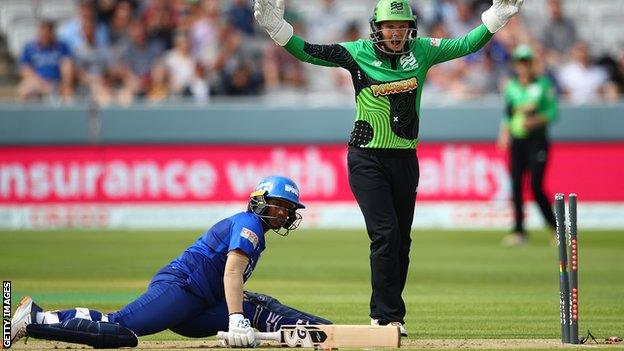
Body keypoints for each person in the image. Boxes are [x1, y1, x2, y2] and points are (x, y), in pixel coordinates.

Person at [254, 0, 524, 336]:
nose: (395, 33)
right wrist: (277, 30)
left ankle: (387, 313)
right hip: (366, 158)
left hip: (405, 160)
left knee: (401, 242)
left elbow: (466, 44)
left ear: (410, 28)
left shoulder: (422, 51)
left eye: (401, 27)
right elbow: (309, 51)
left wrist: (496, 17)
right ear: (377, 28)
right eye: (389, 27)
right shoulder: (358, 52)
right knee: (385, 235)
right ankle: (386, 317)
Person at [10, 176, 330, 349]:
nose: (284, 214)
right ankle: (36, 319)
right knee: (120, 329)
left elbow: (229, 277)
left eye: (288, 210)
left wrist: (241, 315)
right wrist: (235, 319)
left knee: (260, 307)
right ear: (260, 201)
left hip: (201, 304)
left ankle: (326, 332)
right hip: (181, 290)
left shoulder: (254, 228)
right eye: (279, 206)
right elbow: (232, 270)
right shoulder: (249, 224)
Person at [497, 45, 558, 246]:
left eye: (526, 62)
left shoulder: (543, 85)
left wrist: (536, 120)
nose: (523, 66)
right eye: (520, 62)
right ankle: (519, 231)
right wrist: (504, 133)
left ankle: (555, 228)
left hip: (537, 140)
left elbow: (552, 113)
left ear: (532, 64)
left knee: (535, 185)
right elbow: (508, 113)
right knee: (515, 186)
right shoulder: (512, 87)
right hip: (517, 140)